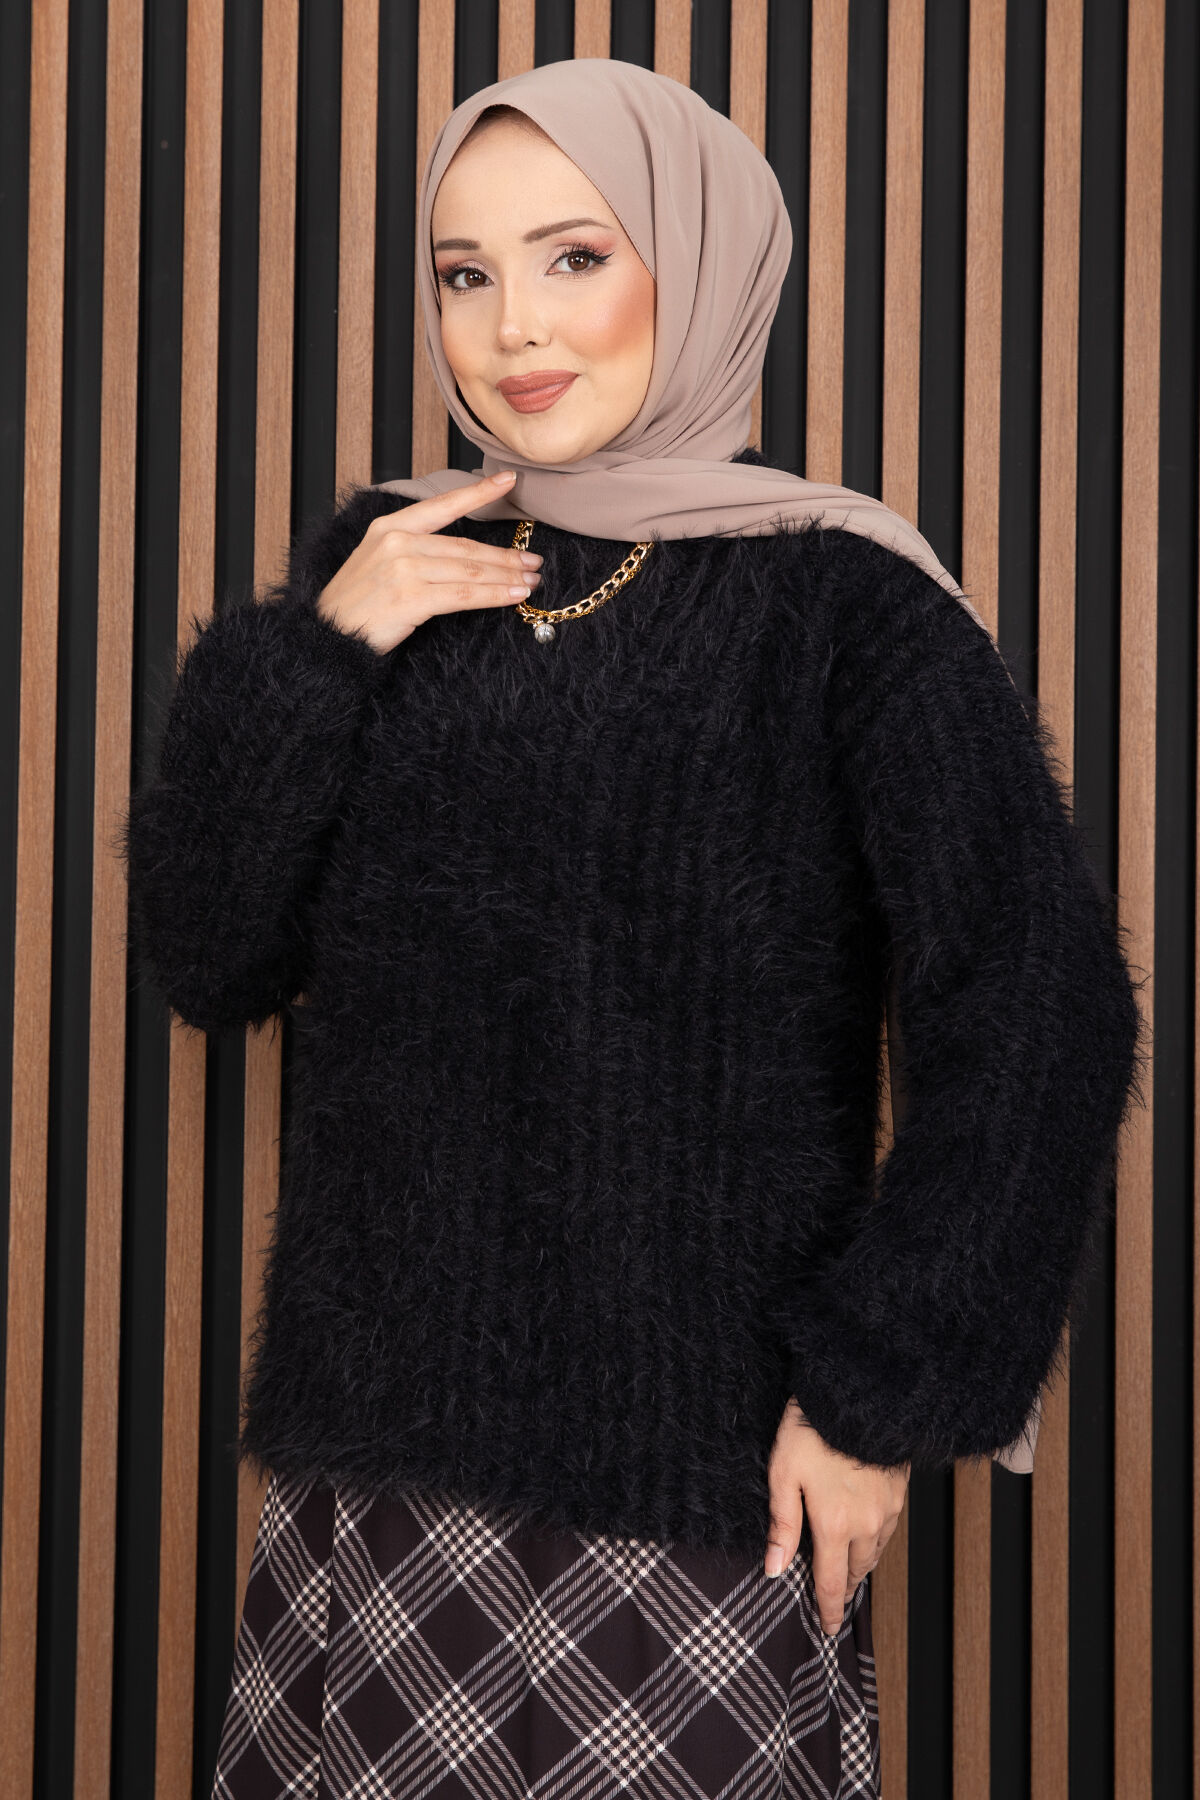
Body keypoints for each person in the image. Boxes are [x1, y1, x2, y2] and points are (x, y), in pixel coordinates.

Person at [119, 57, 1144, 1800]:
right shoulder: (397, 566)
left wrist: (880, 1396)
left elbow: (1040, 1014)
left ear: (702, 258)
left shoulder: (843, 601)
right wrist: (315, 647)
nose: (512, 326)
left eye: (576, 257)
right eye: (464, 272)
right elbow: (211, 957)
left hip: (697, 1492)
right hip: (380, 1480)